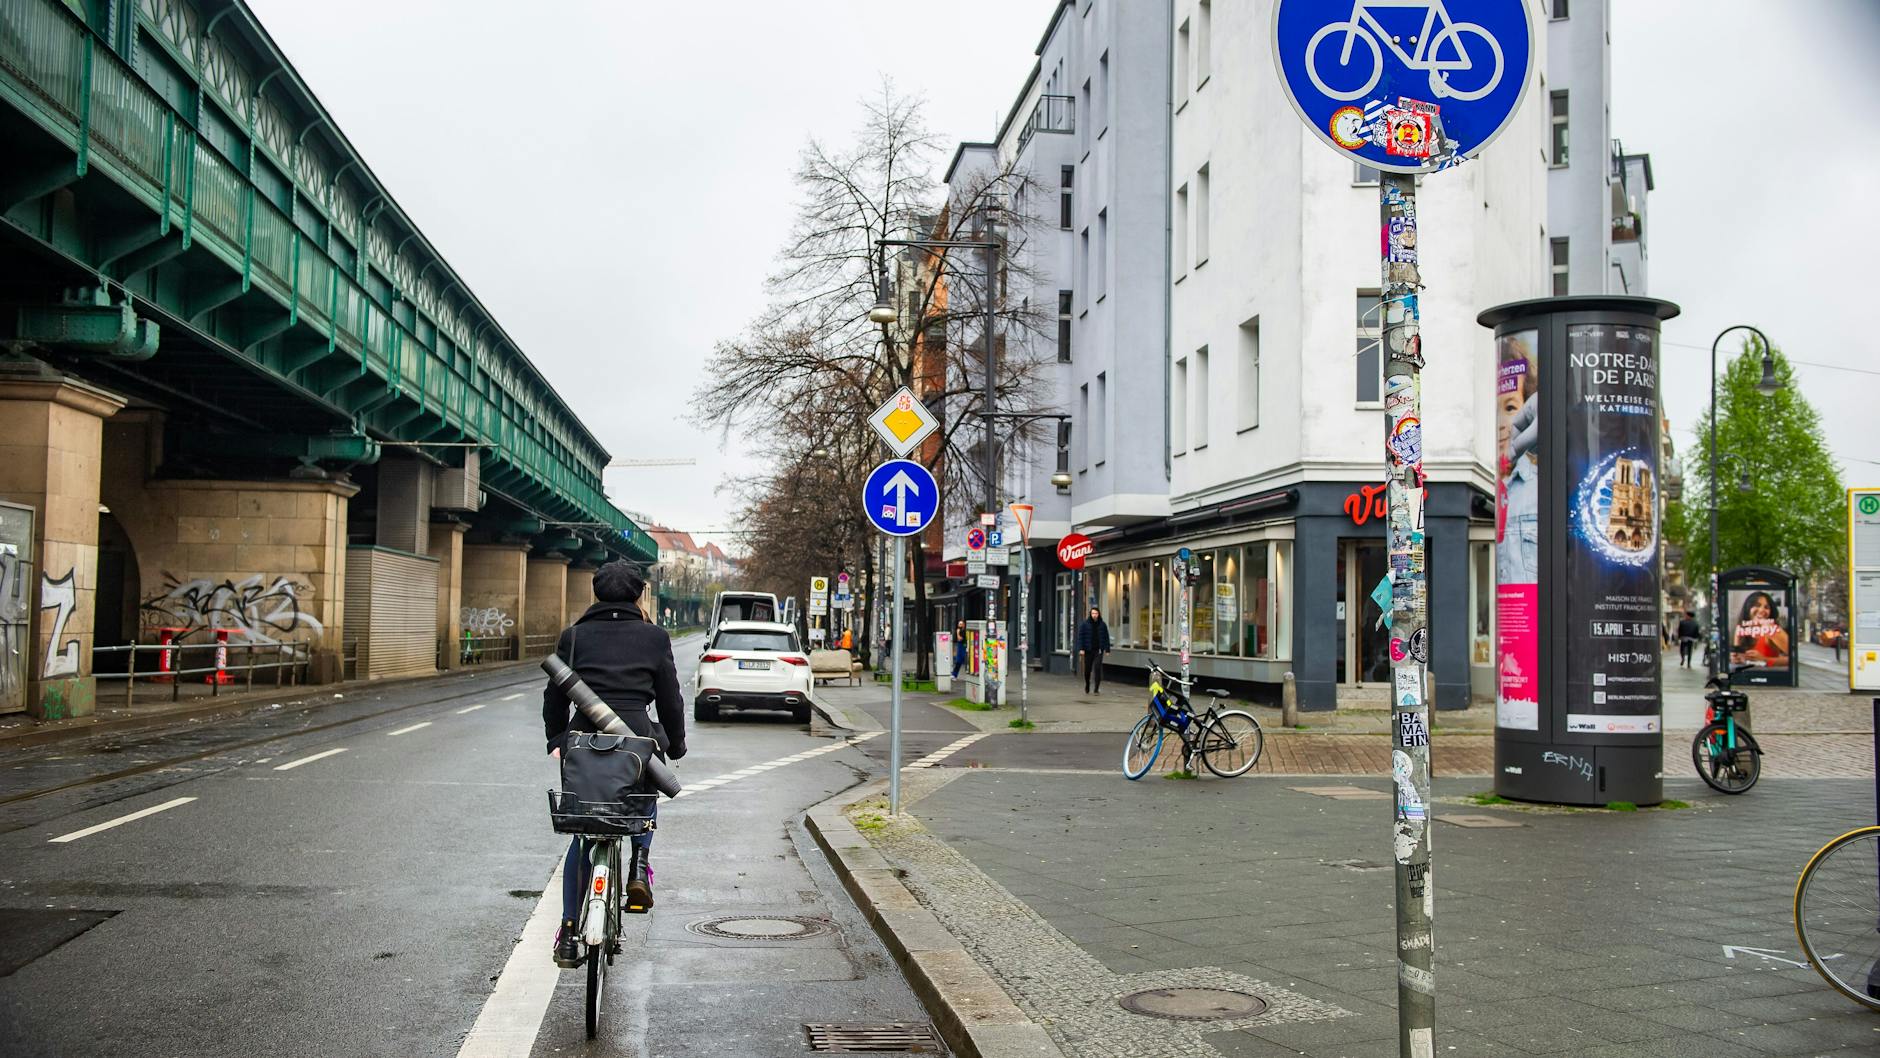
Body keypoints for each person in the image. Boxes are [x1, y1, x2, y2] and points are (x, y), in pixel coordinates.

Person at [543, 560, 686, 968]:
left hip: (583, 745)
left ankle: (569, 931)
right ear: (640, 595)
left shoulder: (573, 637)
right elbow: (670, 699)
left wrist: (557, 738)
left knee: (581, 836)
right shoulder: (655, 638)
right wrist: (674, 745)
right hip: (636, 741)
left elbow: (554, 697)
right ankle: (639, 868)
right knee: (643, 803)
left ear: (596, 594)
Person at [1730, 591, 1790, 672]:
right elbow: (1738, 656)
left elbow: (1793, 658)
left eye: (1766, 607)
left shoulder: (1771, 628)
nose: (1762, 610)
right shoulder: (1741, 628)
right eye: (1757, 605)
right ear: (1748, 608)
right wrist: (1735, 658)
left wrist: (1764, 660)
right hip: (1746, 677)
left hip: (1770, 677)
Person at [1074, 606, 1111, 694]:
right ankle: (1087, 684)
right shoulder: (1085, 624)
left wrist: (1107, 649)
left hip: (1098, 650)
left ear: (1099, 614)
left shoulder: (1102, 624)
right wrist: (1081, 649)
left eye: (1096, 613)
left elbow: (1106, 637)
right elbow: (1081, 637)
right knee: (1088, 669)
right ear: (1090, 614)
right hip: (1088, 650)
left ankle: (1096, 687)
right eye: (1093, 613)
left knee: (1097, 667)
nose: (1094, 615)